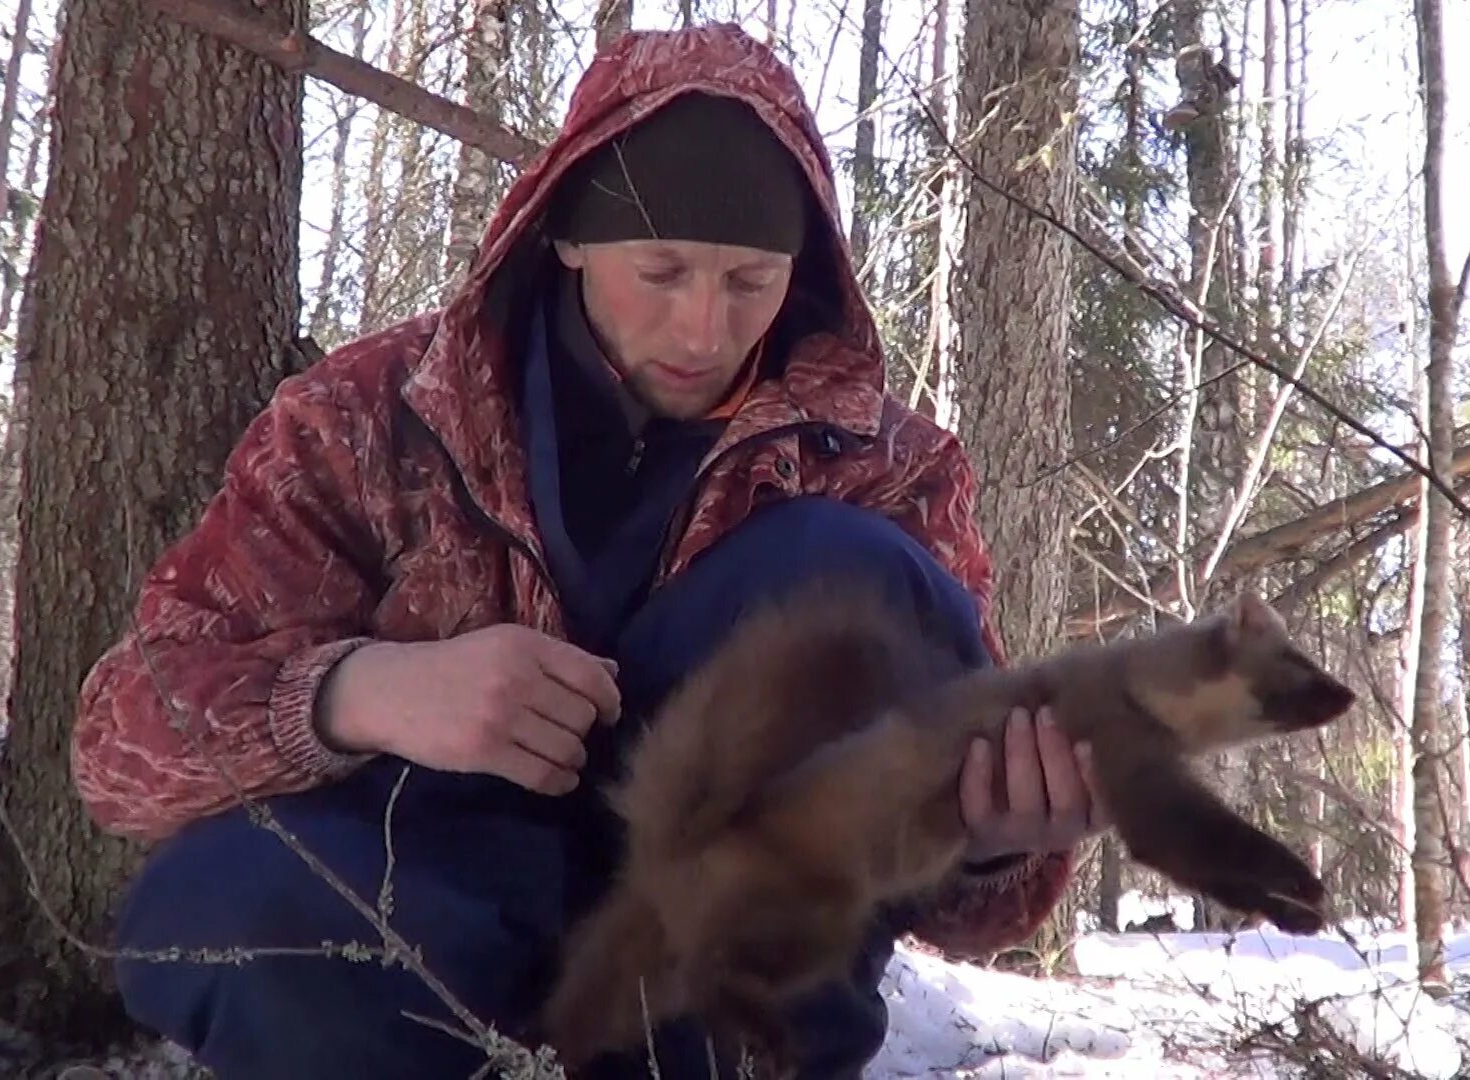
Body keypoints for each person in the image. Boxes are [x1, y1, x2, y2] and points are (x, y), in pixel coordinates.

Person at [69, 22, 1105, 1080]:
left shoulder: (881, 465)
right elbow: (122, 739)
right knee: (221, 900)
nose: (704, 330)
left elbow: (979, 906)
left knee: (851, 572)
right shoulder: (369, 416)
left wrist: (997, 835)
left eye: (750, 280)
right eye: (659, 272)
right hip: (436, 896)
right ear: (566, 236)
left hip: (723, 933)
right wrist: (364, 692)